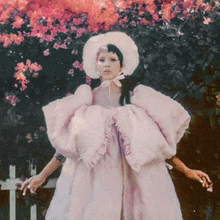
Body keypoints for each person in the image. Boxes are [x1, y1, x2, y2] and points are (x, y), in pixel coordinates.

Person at [21, 32, 212, 219]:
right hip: (95, 182)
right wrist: (42, 175)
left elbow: (156, 145)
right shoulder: (87, 99)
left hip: (134, 180)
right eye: (102, 60)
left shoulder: (135, 98)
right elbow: (68, 146)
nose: (106, 65)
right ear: (95, 64)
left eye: (112, 59)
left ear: (122, 64)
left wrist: (186, 170)